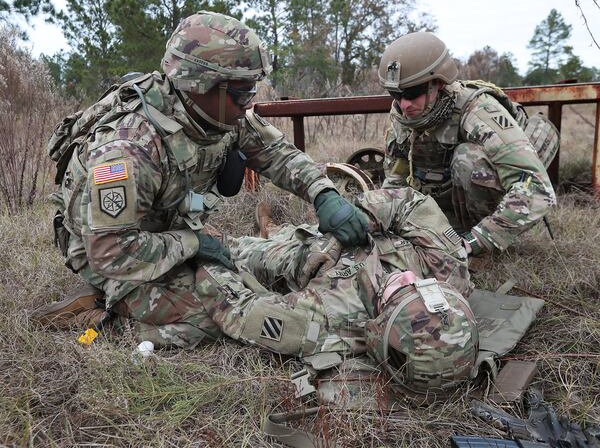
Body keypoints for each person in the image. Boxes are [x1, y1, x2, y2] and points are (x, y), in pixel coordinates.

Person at [35, 11, 369, 335]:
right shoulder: (128, 148)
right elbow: (111, 250)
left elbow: (275, 153)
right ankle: (101, 314)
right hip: (116, 256)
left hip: (174, 234)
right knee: (221, 318)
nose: (248, 104)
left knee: (274, 260)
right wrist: (192, 243)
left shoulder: (218, 115)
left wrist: (323, 193)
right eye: (243, 93)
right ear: (201, 84)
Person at [35, 186, 478, 395]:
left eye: (396, 295)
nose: (402, 280)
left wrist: (201, 251)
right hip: (313, 241)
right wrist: (348, 229)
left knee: (205, 311)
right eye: (415, 285)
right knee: (274, 242)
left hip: (282, 268)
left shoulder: (331, 324)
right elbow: (411, 201)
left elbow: (238, 310)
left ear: (379, 329)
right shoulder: (448, 265)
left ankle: (110, 298)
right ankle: (272, 231)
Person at [378, 32, 558, 256]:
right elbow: (396, 177)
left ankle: (478, 241)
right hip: (443, 198)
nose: (404, 104)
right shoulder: (403, 115)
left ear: (439, 83)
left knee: (467, 158)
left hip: (485, 207)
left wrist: (474, 241)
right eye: (395, 94)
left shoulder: (477, 109)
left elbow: (536, 188)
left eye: (413, 93)